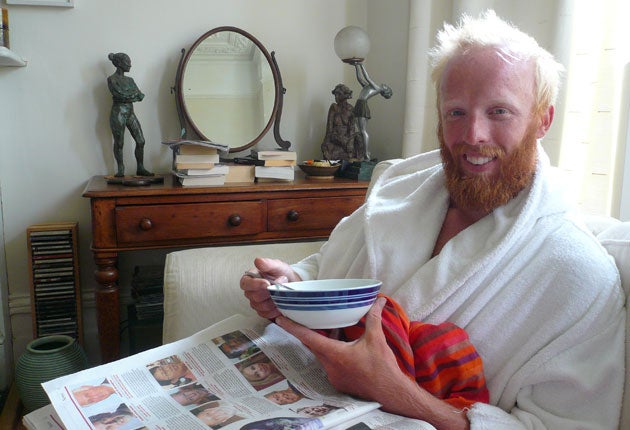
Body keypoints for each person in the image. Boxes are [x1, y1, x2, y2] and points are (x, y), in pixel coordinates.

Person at [240, 10, 625, 430]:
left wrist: (395, 392)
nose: (473, 135)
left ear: (542, 121)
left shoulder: (578, 275)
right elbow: (335, 264)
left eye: (499, 111)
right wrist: (294, 282)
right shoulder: (400, 188)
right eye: (456, 112)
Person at [107, 52, 154, 177]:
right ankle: (120, 169)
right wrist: (132, 95)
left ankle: (140, 167)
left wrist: (130, 95)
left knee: (141, 141)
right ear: (119, 64)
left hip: (129, 113)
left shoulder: (130, 80)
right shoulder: (112, 79)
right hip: (118, 113)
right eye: (127, 62)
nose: (130, 65)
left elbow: (140, 95)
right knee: (119, 143)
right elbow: (120, 95)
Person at [352, 63, 392, 160]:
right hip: (359, 104)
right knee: (360, 131)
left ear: (384, 91)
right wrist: (356, 66)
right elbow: (360, 79)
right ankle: (361, 152)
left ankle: (366, 153)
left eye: (386, 87)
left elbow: (367, 77)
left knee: (363, 131)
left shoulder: (376, 88)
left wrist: (361, 65)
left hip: (362, 105)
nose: (385, 85)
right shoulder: (368, 87)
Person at [321, 84, 363, 160]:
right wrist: (325, 144)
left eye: (339, 94)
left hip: (347, 138)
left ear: (345, 95)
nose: (336, 97)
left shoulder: (351, 109)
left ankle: (353, 158)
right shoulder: (334, 107)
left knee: (359, 138)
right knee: (328, 149)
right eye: (335, 94)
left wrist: (350, 142)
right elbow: (329, 129)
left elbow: (352, 129)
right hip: (335, 138)